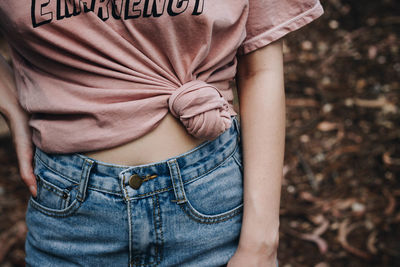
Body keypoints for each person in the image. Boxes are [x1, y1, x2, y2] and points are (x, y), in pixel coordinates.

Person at [0, 0, 324, 266]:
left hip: (209, 205)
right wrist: (9, 98)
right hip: (71, 219)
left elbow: (259, 68)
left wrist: (261, 243)